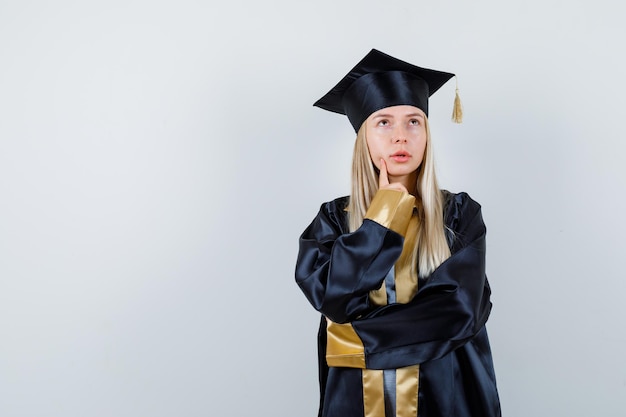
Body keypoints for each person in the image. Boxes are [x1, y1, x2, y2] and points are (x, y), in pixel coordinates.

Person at [295, 49, 501, 417]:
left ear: (427, 133)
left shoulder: (459, 216)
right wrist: (383, 216)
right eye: (384, 123)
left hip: (446, 398)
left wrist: (352, 339)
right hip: (356, 403)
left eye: (413, 122)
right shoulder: (333, 221)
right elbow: (335, 298)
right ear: (364, 137)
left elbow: (458, 312)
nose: (401, 137)